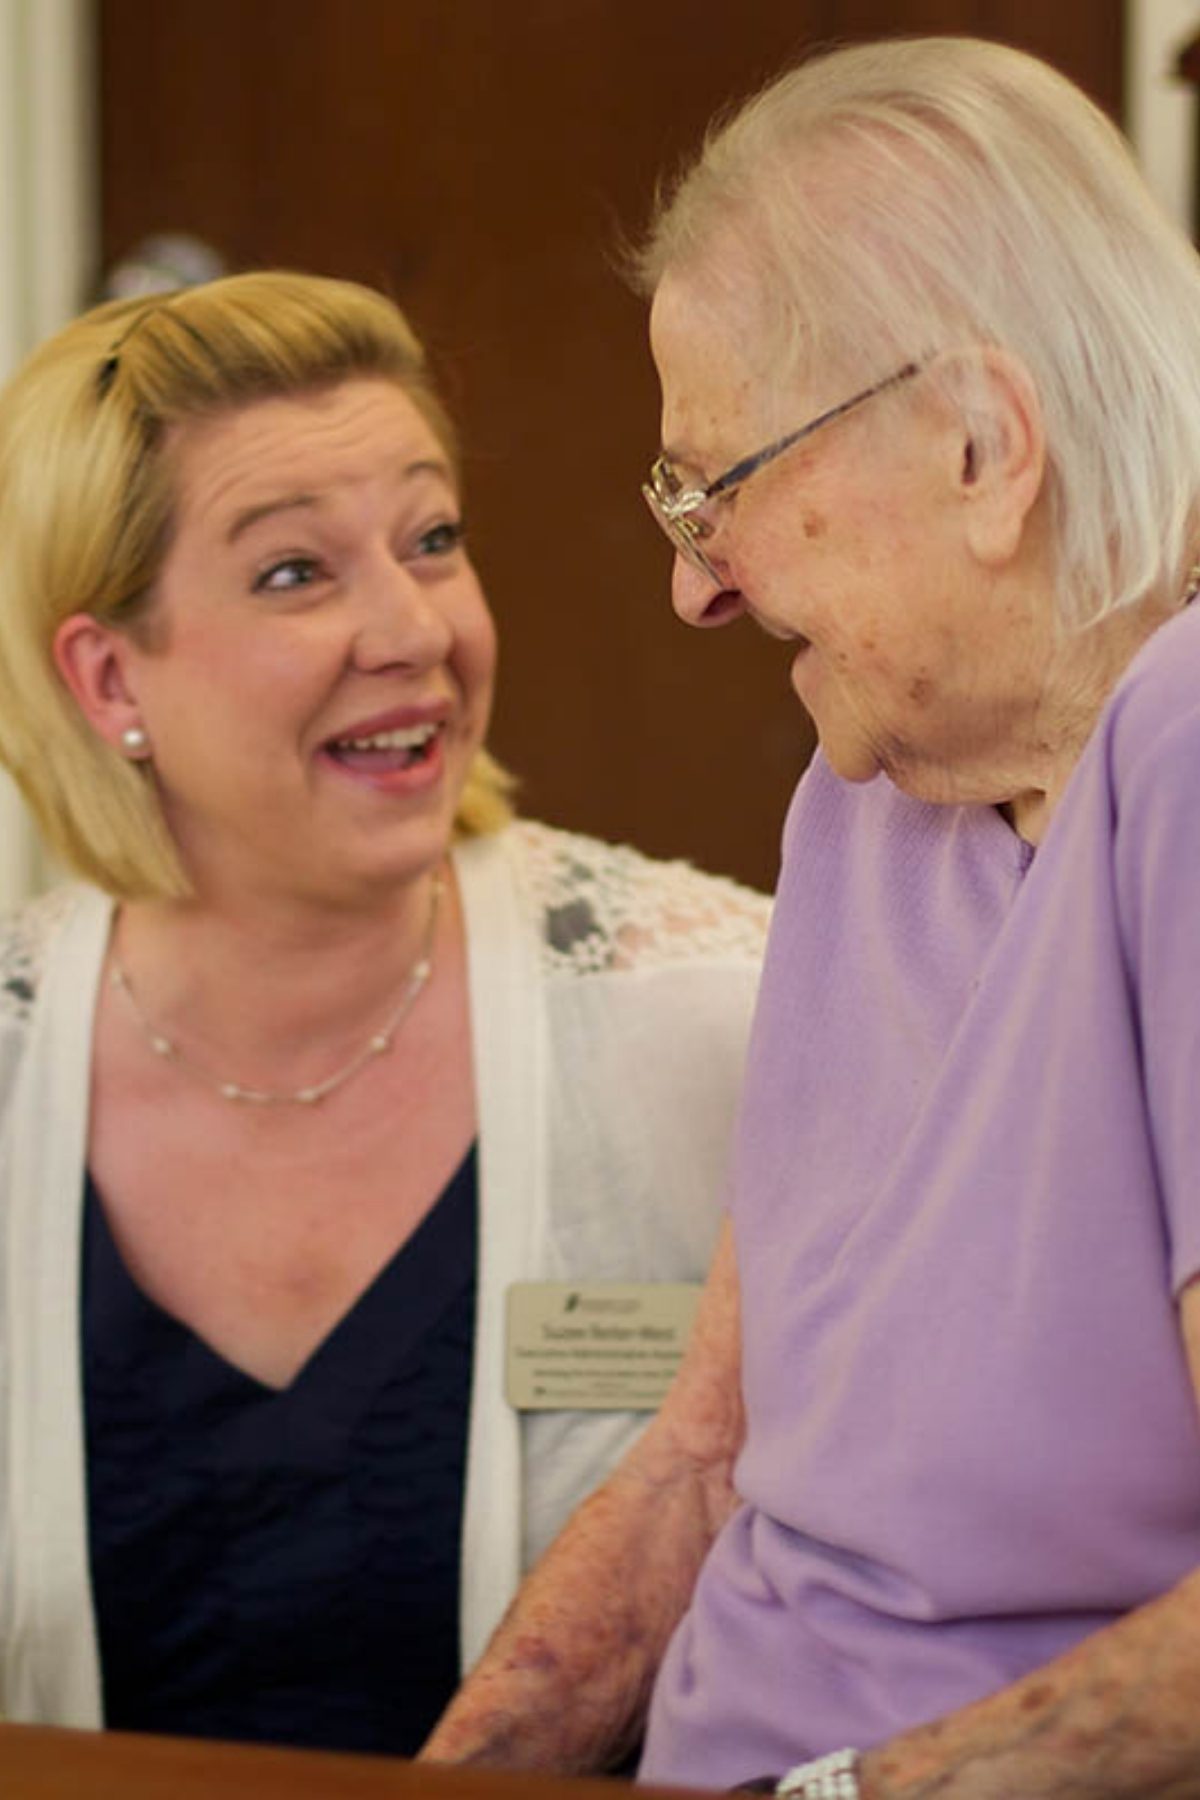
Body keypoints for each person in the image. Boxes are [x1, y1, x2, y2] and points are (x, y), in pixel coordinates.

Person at [421, 34, 1200, 1798]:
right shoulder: (869, 805)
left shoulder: (1187, 744)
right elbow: (707, 1464)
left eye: (720, 488)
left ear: (984, 447)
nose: (695, 583)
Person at [0, 270, 769, 1754]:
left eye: (433, 539)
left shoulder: (721, 1023)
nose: (414, 628)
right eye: (296, 573)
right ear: (107, 678)